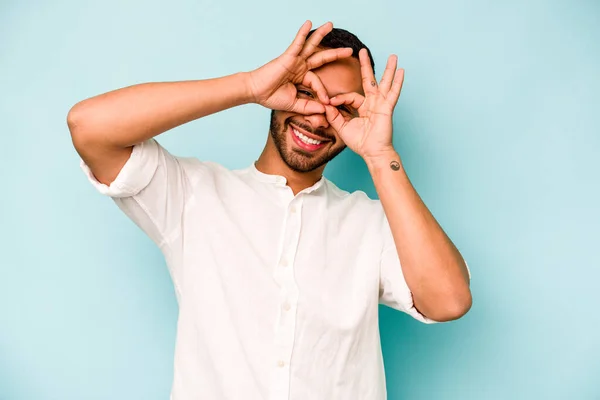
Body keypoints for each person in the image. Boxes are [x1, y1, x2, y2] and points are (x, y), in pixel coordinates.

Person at [67, 20, 472, 400]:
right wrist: (249, 86)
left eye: (341, 108)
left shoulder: (372, 225)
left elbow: (449, 300)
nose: (318, 118)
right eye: (307, 93)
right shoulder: (193, 197)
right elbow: (88, 126)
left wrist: (381, 154)